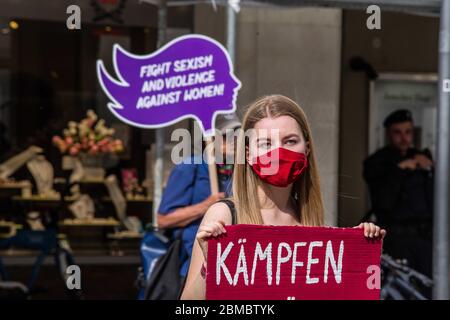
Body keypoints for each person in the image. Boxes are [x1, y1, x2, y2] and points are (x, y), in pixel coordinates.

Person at [180, 94, 386, 300]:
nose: (279, 151)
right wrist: (210, 265)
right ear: (248, 154)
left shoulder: (310, 222)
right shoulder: (224, 215)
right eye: (265, 143)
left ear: (306, 149)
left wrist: (360, 250)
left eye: (290, 141)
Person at [156, 114, 241, 280]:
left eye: (237, 135)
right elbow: (163, 220)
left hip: (230, 265)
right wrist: (207, 205)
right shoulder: (190, 167)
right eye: (226, 135)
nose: (233, 140)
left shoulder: (237, 172)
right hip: (192, 266)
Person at [363, 109, 433, 279]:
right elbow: (382, 201)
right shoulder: (377, 162)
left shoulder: (421, 158)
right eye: (398, 132)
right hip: (396, 238)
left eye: (408, 132)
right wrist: (399, 171)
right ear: (388, 133)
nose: (404, 138)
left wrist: (431, 169)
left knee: (427, 289)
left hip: (425, 238)